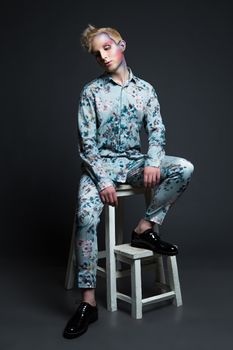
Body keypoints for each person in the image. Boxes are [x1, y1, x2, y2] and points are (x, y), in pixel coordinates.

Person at [63, 24, 194, 339]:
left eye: (107, 48)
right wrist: (103, 180)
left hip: (134, 163)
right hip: (99, 169)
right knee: (84, 215)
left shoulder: (145, 89)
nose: (103, 56)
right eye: (97, 54)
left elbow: (157, 130)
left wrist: (151, 161)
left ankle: (144, 228)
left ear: (121, 44)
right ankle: (88, 303)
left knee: (183, 168)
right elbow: (86, 146)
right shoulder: (91, 92)